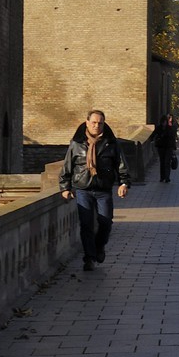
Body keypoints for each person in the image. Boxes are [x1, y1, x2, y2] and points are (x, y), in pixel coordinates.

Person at [59, 109, 131, 272]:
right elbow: (67, 166)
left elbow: (121, 165)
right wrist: (65, 187)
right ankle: (89, 258)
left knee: (105, 222)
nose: (96, 126)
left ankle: (99, 247)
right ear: (87, 123)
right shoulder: (76, 144)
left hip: (103, 189)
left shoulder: (111, 143)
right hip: (83, 188)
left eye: (100, 123)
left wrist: (123, 183)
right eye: (94, 123)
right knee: (86, 224)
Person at [153, 114, 178, 182]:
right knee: (162, 162)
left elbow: (172, 138)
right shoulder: (158, 128)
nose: (164, 123)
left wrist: (174, 148)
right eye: (163, 122)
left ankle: (167, 177)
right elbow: (153, 135)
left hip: (168, 147)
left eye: (165, 122)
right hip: (161, 147)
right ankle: (162, 177)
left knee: (167, 162)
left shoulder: (170, 129)